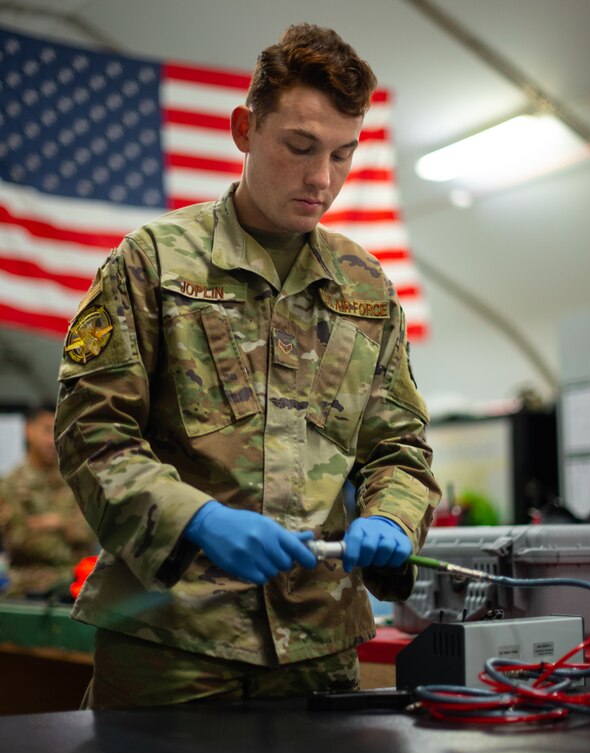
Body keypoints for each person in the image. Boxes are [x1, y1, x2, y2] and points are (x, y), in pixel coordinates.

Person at [55, 22, 440, 708]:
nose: (322, 179)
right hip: (172, 642)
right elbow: (93, 435)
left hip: (319, 648)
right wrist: (195, 520)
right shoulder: (154, 262)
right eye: (300, 147)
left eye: (342, 155)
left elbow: (399, 450)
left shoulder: (366, 287)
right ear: (244, 129)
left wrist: (392, 518)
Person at [0, 404, 96, 599]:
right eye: (46, 430)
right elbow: (18, 540)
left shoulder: (76, 482)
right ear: (28, 429)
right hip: (29, 588)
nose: (52, 440)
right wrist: (70, 533)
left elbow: (91, 532)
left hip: (79, 585)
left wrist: (56, 523)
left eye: (58, 432)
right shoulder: (9, 486)